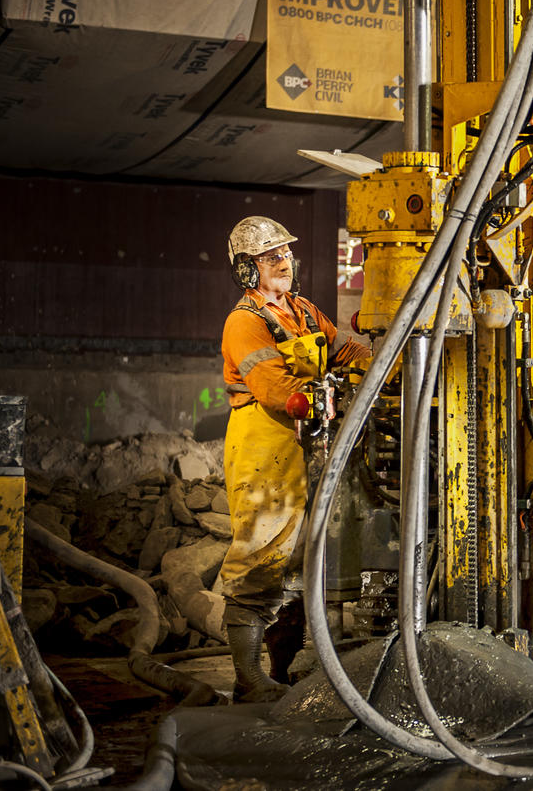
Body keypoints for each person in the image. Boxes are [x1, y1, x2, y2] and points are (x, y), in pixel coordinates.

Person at [219, 215, 369, 701]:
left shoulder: (302, 310)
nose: (283, 261)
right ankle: (249, 680)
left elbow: (342, 348)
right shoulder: (244, 322)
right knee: (260, 564)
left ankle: (283, 672)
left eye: (285, 253)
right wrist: (326, 395)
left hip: (308, 448)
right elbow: (276, 389)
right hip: (266, 448)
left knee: (305, 566)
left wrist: (379, 361)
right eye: (269, 257)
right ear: (247, 270)